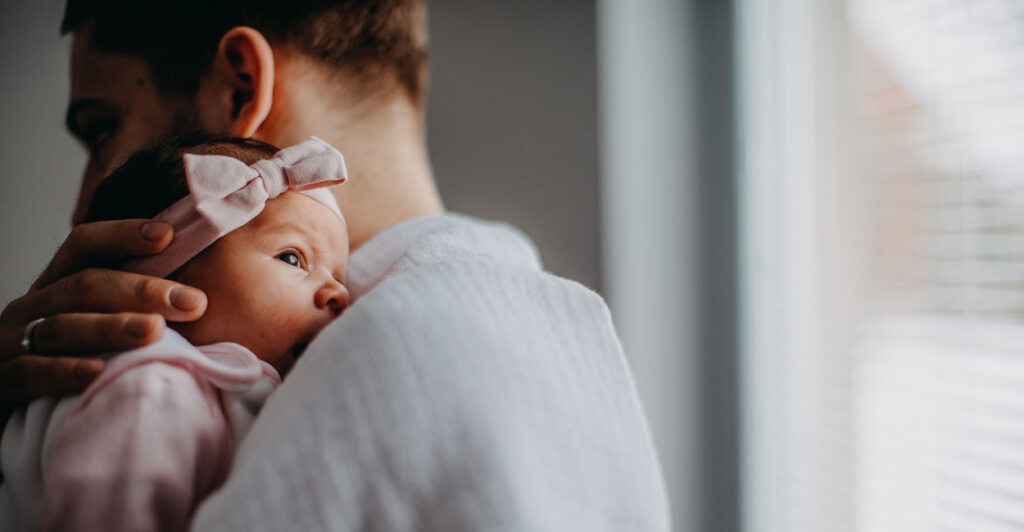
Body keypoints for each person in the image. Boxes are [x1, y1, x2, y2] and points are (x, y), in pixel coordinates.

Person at [0, 1, 671, 529]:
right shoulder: (553, 330)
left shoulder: (393, 353)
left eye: (101, 129)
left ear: (240, 90)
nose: (84, 201)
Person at [0, 134, 351, 532]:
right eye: (293, 257)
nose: (339, 293)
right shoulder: (152, 385)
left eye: (340, 276)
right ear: (168, 285)